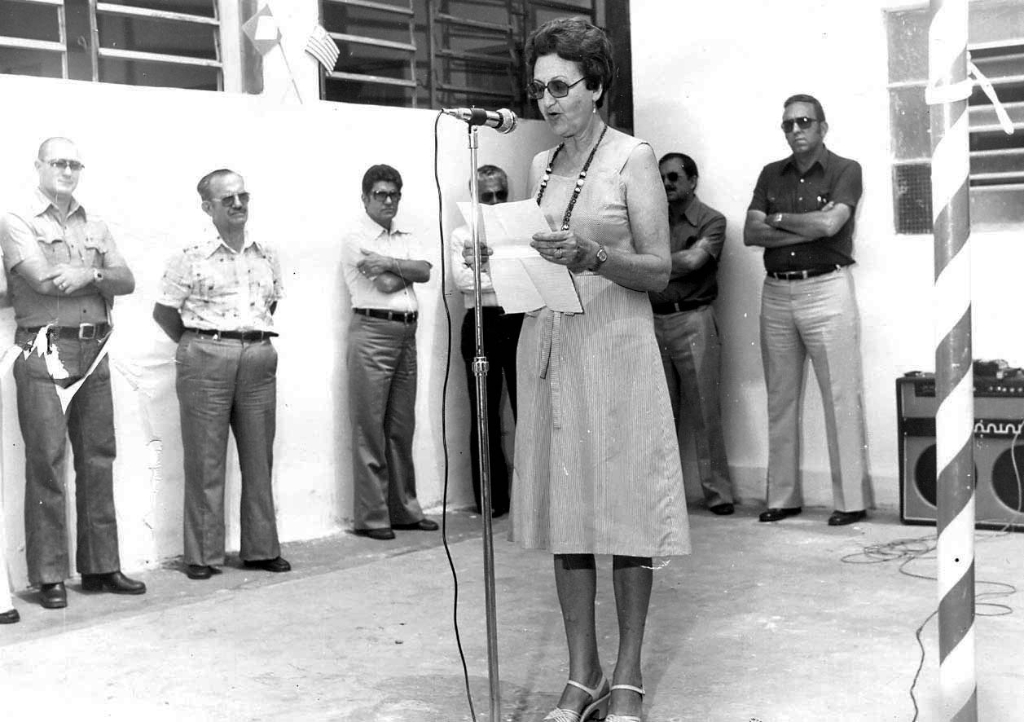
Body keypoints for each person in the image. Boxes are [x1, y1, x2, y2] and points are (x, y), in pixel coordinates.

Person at [467, 17, 690, 721]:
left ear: (596, 86)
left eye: (560, 87)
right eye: (538, 90)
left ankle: (626, 677)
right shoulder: (539, 168)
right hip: (550, 346)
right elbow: (541, 253)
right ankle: (582, 673)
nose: (547, 102)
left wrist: (593, 257)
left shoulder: (633, 159)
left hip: (617, 350)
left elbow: (658, 269)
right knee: (567, 519)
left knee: (623, 517)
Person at [0, 137, 145, 609]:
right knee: (47, 463)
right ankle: (49, 576)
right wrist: (97, 271)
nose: (66, 170)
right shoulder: (17, 219)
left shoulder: (95, 223)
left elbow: (126, 280)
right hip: (44, 347)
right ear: (38, 166)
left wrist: (90, 276)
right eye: (57, 162)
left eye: (73, 163)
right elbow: (41, 279)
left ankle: (102, 567)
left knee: (98, 458)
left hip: (95, 345)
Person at [153, 169, 291, 580]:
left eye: (242, 196)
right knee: (205, 460)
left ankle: (262, 549)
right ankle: (203, 555)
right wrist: (206, 343)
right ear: (207, 207)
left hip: (258, 357)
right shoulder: (189, 255)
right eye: (226, 198)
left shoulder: (266, 253)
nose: (237, 204)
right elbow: (163, 312)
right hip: (205, 358)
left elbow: (271, 306)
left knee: (258, 458)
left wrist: (245, 343)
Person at [743, 94, 871, 526]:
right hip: (776, 293)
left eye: (804, 122)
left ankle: (850, 502)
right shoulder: (769, 174)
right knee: (780, 397)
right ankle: (782, 498)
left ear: (822, 127)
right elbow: (749, 232)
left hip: (827, 290)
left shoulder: (844, 170)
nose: (796, 130)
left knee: (840, 395)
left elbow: (831, 225)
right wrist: (807, 226)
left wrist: (777, 220)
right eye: (788, 125)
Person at [343, 164, 438, 541]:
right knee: (369, 427)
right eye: (380, 194)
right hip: (371, 331)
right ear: (365, 198)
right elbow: (383, 285)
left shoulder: (405, 235)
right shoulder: (354, 238)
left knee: (400, 426)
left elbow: (426, 271)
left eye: (393, 194)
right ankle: (371, 517)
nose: (387, 201)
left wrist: (393, 263)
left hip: (405, 334)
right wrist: (406, 269)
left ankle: (404, 510)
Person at [650, 152, 735, 516]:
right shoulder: (648, 221)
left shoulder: (712, 221)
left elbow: (694, 262)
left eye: (673, 177)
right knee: (658, 413)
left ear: (692, 181)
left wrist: (649, 266)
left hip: (694, 321)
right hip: (653, 322)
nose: (666, 184)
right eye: (662, 179)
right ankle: (663, 497)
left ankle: (718, 494)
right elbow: (678, 263)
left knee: (704, 412)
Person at [450, 165, 523, 517]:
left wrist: (489, 269)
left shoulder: (518, 231)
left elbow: (527, 276)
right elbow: (465, 282)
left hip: (517, 319)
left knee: (528, 412)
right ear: (474, 197)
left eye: (500, 194)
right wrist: (506, 271)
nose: (495, 201)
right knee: (484, 414)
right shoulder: (461, 234)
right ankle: (492, 500)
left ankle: (531, 498)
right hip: (480, 321)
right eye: (487, 196)